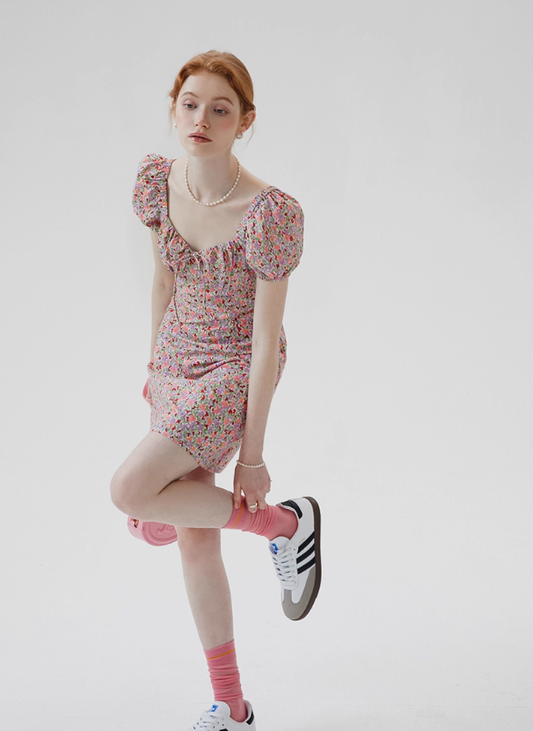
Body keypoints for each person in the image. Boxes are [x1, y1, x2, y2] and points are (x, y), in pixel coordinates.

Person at [110, 50, 321, 731]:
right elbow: (163, 283)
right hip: (178, 357)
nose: (201, 119)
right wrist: (156, 373)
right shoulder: (157, 183)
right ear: (174, 110)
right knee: (190, 537)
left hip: (236, 364)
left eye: (220, 109)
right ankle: (231, 704)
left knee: (130, 491)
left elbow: (265, 340)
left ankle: (280, 522)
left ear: (244, 122)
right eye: (190, 104)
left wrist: (252, 457)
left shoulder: (269, 213)